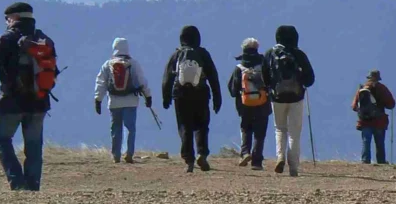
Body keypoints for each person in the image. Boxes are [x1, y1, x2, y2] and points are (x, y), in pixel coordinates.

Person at [0, 1, 58, 191]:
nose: (6, 22)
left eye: (7, 18)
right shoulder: (44, 40)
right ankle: (33, 185)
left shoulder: (6, 39)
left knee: (2, 139)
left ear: (14, 18)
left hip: (11, 102)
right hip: (39, 102)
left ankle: (17, 182)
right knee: (34, 145)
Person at [161, 25, 221, 173]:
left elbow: (167, 78)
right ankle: (202, 153)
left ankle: (189, 159)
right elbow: (213, 76)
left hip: (180, 95)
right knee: (201, 125)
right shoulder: (203, 54)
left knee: (184, 126)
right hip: (201, 93)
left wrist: (166, 97)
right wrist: (217, 97)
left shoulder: (176, 55)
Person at [262, 25, 315, 177]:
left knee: (280, 128)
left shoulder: (270, 53)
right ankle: (293, 166)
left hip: (277, 97)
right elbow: (310, 78)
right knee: (294, 132)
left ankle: (280, 157)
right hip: (296, 98)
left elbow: (265, 76)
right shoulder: (299, 54)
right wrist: (303, 83)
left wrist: (270, 88)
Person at [94, 37, 152, 164]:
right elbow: (142, 81)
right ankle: (129, 153)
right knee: (130, 128)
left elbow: (101, 82)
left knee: (115, 128)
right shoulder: (133, 63)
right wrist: (148, 96)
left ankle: (116, 155)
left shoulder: (108, 64)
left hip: (113, 102)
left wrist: (98, 99)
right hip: (131, 101)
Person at [227, 38, 271, 170]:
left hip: (244, 104)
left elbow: (233, 90)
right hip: (262, 103)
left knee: (246, 128)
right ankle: (257, 162)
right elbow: (270, 82)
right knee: (260, 132)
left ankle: (245, 153)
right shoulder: (263, 65)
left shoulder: (239, 68)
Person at [351, 69, 396, 164]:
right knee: (379, 143)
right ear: (378, 78)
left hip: (364, 121)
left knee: (366, 141)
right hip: (379, 121)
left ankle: (365, 160)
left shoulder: (362, 89)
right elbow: (391, 104)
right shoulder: (382, 88)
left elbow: (354, 106)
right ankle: (381, 161)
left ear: (368, 77)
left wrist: (363, 111)